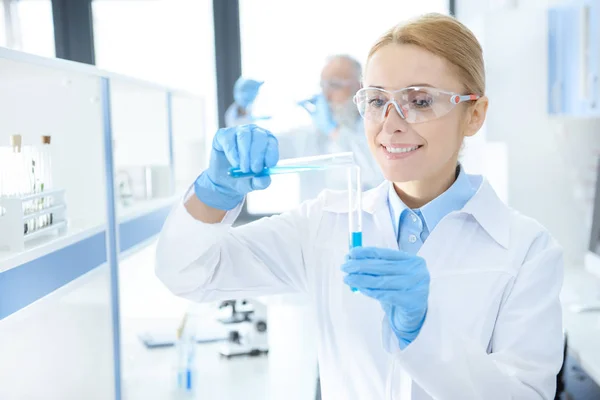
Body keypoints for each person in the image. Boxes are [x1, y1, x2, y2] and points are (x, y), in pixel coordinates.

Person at [156, 13, 564, 400]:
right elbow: (190, 275)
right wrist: (212, 195)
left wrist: (424, 332)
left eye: (419, 101)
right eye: (375, 101)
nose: (390, 123)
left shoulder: (527, 249)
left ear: (474, 114)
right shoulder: (323, 225)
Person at [226, 56, 383, 191]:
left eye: (334, 85)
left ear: (360, 87)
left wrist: (334, 130)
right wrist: (243, 111)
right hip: (313, 225)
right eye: (323, 86)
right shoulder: (307, 135)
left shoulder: (377, 130)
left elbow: (376, 172)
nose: (326, 95)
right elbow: (253, 149)